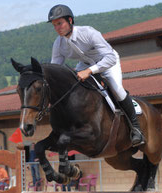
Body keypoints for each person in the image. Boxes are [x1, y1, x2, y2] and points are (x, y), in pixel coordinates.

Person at [47, 4, 145, 147]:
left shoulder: (88, 33)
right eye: (55, 25)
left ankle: (136, 129)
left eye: (60, 23)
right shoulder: (59, 44)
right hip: (85, 64)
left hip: (108, 62)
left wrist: (90, 71)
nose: (57, 28)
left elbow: (110, 57)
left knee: (117, 90)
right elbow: (55, 69)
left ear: (70, 20)